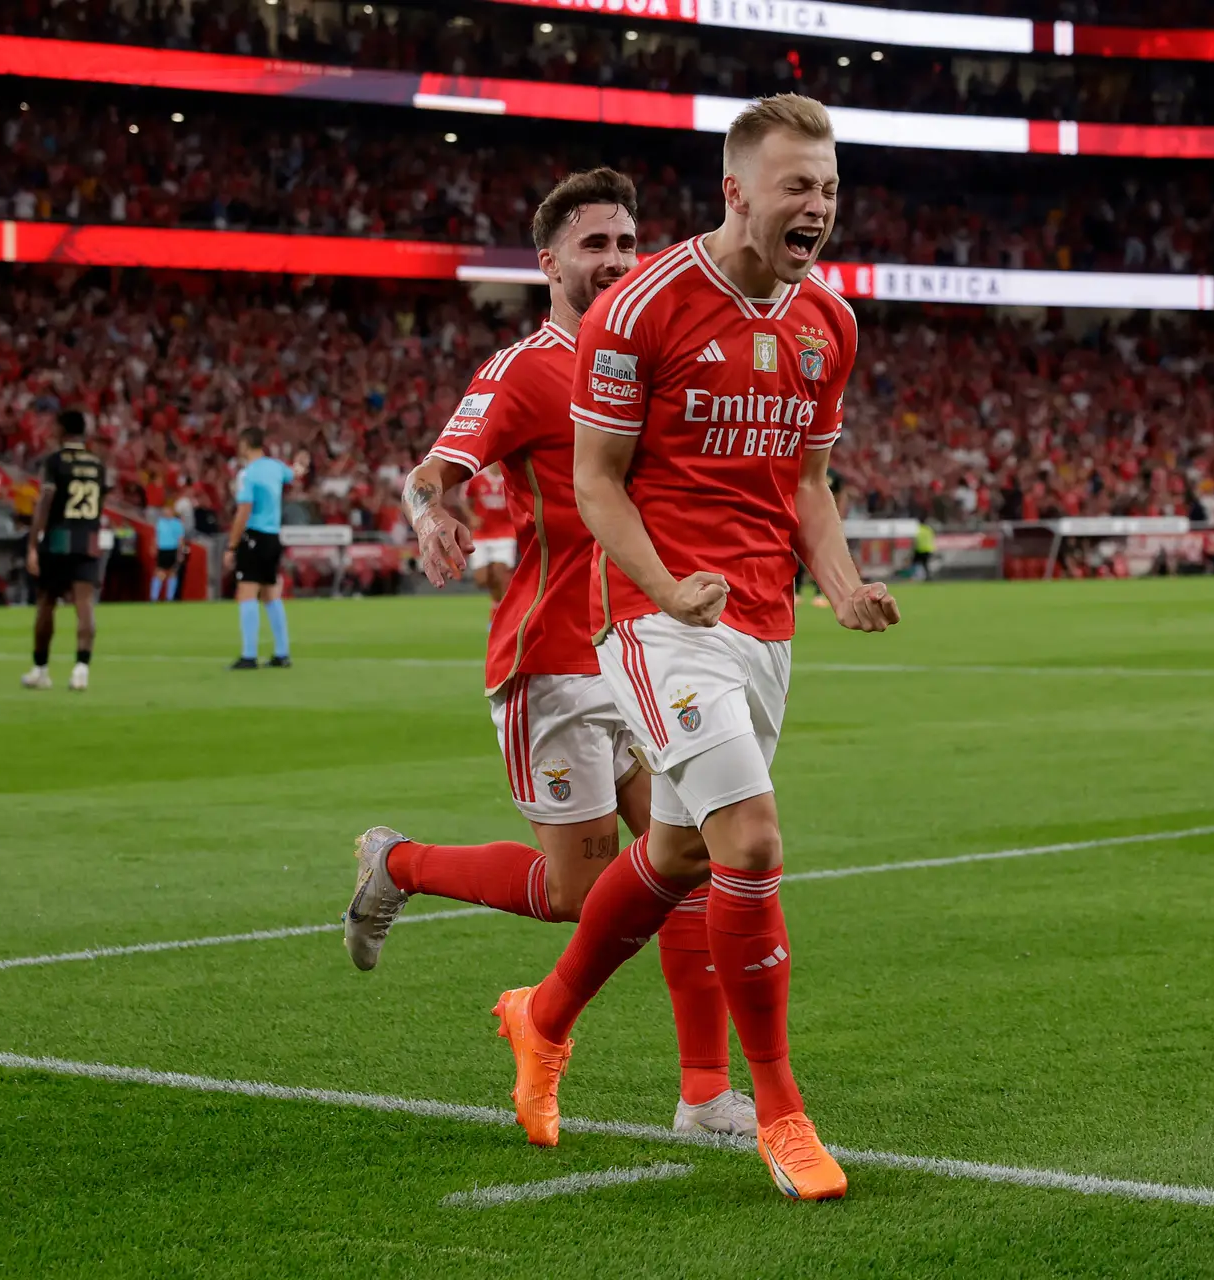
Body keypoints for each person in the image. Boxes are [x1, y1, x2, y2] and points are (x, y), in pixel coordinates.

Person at [490, 95, 899, 1201]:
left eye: (828, 187)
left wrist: (845, 582)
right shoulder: (643, 307)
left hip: (761, 620)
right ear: (736, 191)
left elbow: (808, 483)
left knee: (675, 857)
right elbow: (595, 482)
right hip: (653, 614)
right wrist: (667, 582)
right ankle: (778, 1111)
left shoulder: (831, 321)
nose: (816, 206)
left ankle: (543, 1015)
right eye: (796, 186)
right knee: (752, 843)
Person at [341, 168, 753, 1139]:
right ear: (549, 263)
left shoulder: (652, 352)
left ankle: (704, 1094)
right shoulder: (529, 368)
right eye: (593, 245)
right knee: (577, 891)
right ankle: (395, 861)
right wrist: (429, 511)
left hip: (643, 647)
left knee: (687, 852)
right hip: (554, 659)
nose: (613, 260)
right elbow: (432, 471)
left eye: (625, 243)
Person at [23, 410, 104, 692]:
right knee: (85, 604)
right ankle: (81, 669)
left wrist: (33, 543)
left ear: (61, 429)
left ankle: (41, 670)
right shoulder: (97, 464)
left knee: (46, 602)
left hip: (58, 539)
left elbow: (45, 501)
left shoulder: (54, 462)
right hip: (89, 539)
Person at [225, 428, 307, 670]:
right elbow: (294, 474)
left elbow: (243, 511)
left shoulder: (247, 474)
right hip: (273, 537)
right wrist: (301, 463)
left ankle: (249, 655)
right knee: (271, 594)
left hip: (254, 536)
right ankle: (282, 653)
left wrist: (231, 545)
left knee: (247, 592)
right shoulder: (275, 466)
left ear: (245, 444)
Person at [463, 465, 516, 611]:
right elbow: (465, 501)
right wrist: (472, 517)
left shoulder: (511, 478)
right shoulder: (477, 479)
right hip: (482, 534)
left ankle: (497, 612)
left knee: (499, 573)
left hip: (505, 532)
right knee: (482, 579)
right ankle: (498, 600)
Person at [150, 504, 185, 602]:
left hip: (173, 549)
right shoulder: (160, 523)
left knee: (172, 573)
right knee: (159, 572)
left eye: (168, 510)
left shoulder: (177, 523)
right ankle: (154, 597)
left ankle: (169, 598)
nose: (166, 512)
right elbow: (156, 536)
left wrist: (180, 553)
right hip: (162, 549)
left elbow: (181, 539)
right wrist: (154, 547)